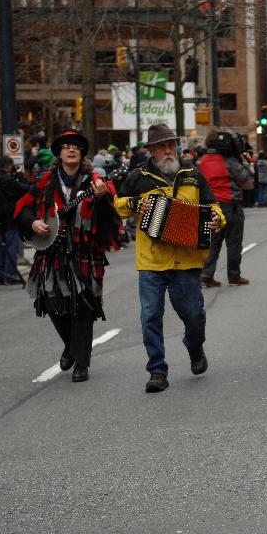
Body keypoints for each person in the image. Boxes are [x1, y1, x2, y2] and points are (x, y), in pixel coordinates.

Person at [114, 124, 225, 393]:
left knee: (194, 315)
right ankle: (157, 370)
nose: (168, 151)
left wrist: (217, 219)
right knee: (151, 315)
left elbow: (213, 205)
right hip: (152, 260)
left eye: (171, 145)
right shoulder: (138, 176)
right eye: (162, 146)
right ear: (151, 150)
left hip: (187, 260)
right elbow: (119, 204)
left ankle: (194, 346)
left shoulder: (192, 174)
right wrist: (135, 205)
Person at [14, 129, 122, 382]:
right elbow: (22, 209)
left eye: (75, 146)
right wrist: (33, 224)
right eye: (66, 146)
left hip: (85, 251)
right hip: (51, 252)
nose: (71, 149)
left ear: (82, 153)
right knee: (52, 303)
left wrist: (104, 198)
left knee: (83, 307)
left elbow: (111, 215)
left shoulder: (94, 180)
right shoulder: (44, 180)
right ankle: (71, 347)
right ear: (59, 153)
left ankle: (81, 364)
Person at [198, 129, 252, 287]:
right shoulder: (230, 161)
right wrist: (245, 163)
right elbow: (247, 183)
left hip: (210, 207)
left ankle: (206, 276)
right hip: (230, 205)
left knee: (213, 243)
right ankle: (234, 277)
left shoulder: (203, 161)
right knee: (233, 243)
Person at [0, 156, 29, 285]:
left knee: (0, 246)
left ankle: (0, 275)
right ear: (9, 166)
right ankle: (10, 276)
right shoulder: (9, 180)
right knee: (11, 246)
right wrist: (21, 177)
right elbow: (26, 189)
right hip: (9, 217)